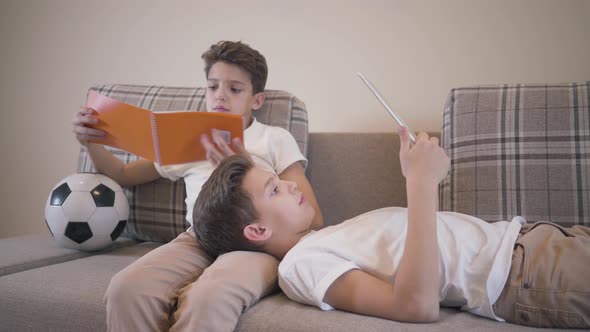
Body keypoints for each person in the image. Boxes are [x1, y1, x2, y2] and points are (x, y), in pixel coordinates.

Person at [194, 127, 590, 329]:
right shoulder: (299, 266)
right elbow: (416, 307)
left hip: (535, 238)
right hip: (522, 273)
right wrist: (420, 183)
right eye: (275, 189)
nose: (292, 183)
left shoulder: (321, 238)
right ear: (258, 232)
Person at [72, 40, 323, 331]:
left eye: (234, 89)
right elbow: (122, 174)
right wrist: (90, 141)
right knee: (126, 289)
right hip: (198, 239)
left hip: (255, 246)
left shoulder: (273, 139)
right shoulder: (189, 142)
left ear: (256, 100)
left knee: (208, 297)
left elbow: (313, 217)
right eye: (213, 86)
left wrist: (243, 164)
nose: (220, 96)